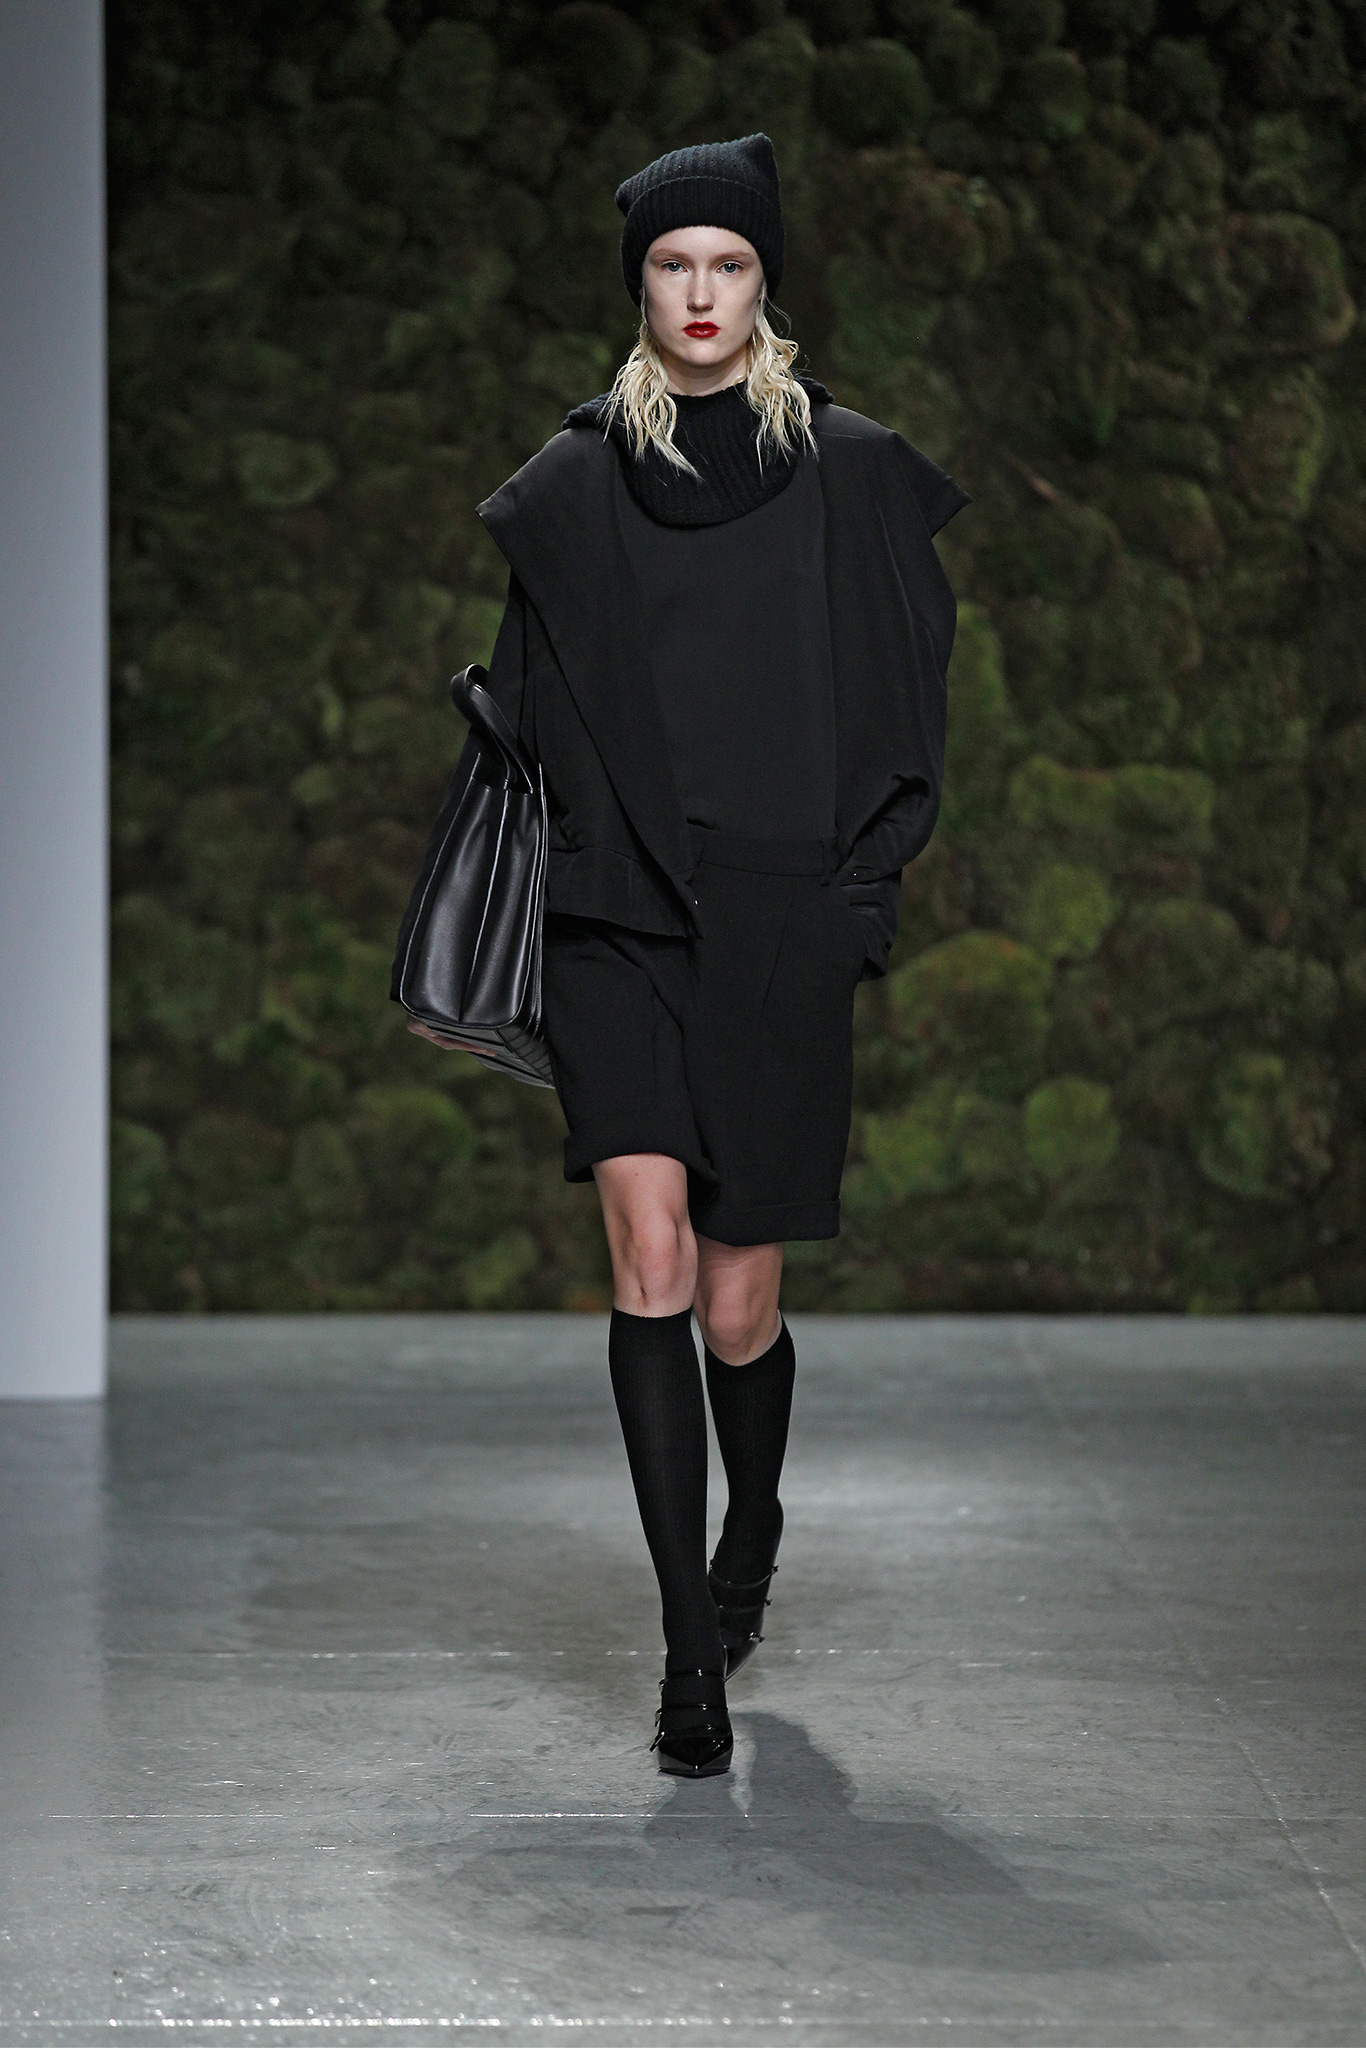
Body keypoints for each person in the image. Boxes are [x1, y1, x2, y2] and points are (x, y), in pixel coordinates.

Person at [471, 135, 969, 1777]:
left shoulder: (852, 472)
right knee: (651, 1264)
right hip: (614, 916)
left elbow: (909, 699)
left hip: (776, 920)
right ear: (639, 283)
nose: (700, 294)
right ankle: (689, 1653)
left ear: (766, 282)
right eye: (673, 265)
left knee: (740, 1304)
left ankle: (751, 1524)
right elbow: (519, 709)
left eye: (729, 265)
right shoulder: (570, 483)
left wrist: (854, 897)